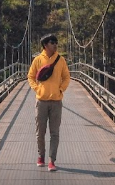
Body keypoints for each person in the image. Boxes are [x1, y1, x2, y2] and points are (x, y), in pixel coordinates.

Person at [27, 33, 71, 172]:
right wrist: (37, 89)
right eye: (53, 42)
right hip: (41, 101)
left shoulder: (61, 60)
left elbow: (66, 77)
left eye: (56, 42)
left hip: (56, 101)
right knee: (40, 132)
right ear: (45, 45)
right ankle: (41, 156)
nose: (55, 44)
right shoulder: (38, 60)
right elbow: (30, 76)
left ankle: (52, 161)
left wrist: (61, 89)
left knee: (55, 133)